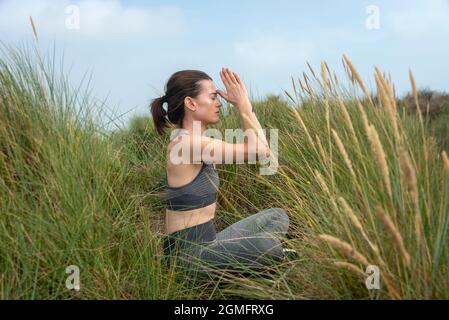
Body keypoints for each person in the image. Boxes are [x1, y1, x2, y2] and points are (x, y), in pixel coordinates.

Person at [150, 67, 291, 279]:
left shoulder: (195, 141)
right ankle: (259, 265)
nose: (219, 103)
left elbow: (264, 149)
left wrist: (247, 108)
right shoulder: (187, 144)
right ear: (191, 103)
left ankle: (248, 266)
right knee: (268, 247)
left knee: (276, 216)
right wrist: (243, 105)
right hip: (187, 257)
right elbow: (260, 151)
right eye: (213, 97)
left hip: (210, 242)